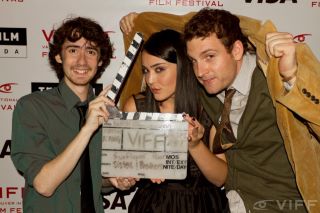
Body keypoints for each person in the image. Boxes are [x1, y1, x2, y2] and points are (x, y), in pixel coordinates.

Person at [119, 8, 320, 213]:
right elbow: (174, 39)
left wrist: (292, 78)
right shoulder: (206, 93)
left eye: (209, 57)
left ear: (237, 50)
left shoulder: (273, 79)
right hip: (231, 205)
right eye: (194, 61)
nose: (200, 71)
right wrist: (142, 22)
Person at [11, 17, 115, 212]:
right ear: (59, 56)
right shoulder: (31, 107)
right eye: (73, 50)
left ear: (100, 61)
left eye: (91, 52)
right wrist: (88, 129)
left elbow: (87, 178)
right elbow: (44, 184)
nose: (82, 61)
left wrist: (114, 181)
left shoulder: (107, 111)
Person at [120, 28, 229, 212]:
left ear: (183, 66)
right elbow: (124, 167)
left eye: (159, 69)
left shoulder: (209, 107)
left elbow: (221, 178)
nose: (150, 80)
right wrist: (135, 171)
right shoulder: (136, 107)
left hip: (203, 206)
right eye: (146, 71)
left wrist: (194, 145)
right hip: (152, 206)